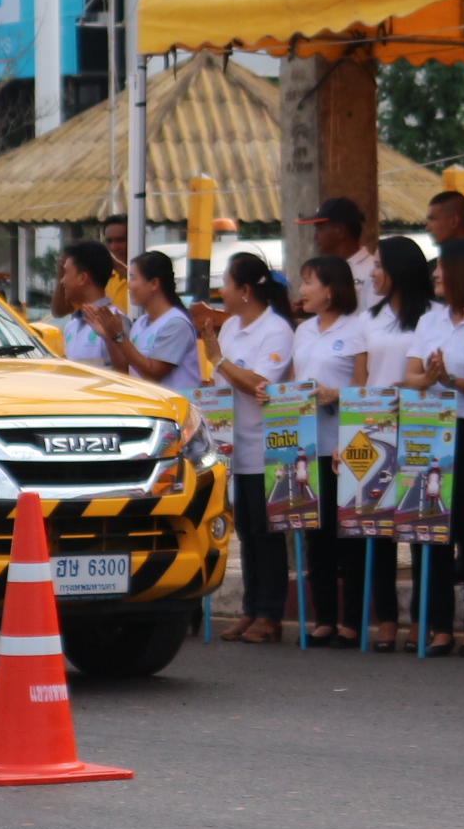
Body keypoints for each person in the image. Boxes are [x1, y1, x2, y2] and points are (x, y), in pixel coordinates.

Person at [193, 252, 297, 645]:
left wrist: (218, 360)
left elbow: (258, 383)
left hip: (267, 446)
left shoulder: (276, 330)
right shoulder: (233, 326)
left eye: (227, 282)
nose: (222, 290)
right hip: (233, 447)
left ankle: (270, 615)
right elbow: (223, 381)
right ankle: (251, 610)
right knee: (248, 532)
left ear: (246, 290)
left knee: (268, 534)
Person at [407, 238, 464, 656]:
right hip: (433, 431)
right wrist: (429, 378)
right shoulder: (429, 321)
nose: (436, 274)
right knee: (435, 529)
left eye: (442, 267)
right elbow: (411, 376)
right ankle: (440, 626)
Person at [291, 255, 377, 649]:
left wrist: (335, 394)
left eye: (309, 281)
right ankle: (324, 618)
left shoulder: (357, 331)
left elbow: (364, 389)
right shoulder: (303, 331)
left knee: (349, 536)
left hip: (347, 445)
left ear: (330, 289)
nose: (302, 289)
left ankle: (353, 621)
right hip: (308, 448)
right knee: (317, 535)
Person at [361, 236, 436, 651]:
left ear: (399, 269)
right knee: (378, 527)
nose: (372, 273)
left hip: (422, 430)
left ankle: (422, 618)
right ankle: (386, 619)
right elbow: (361, 379)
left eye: (378, 265)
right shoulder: (367, 320)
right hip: (375, 430)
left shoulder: (433, 316)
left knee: (422, 526)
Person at [52, 241, 148, 376]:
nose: (62, 281)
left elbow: (126, 375)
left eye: (66, 273)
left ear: (82, 278)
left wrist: (111, 337)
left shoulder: (116, 321)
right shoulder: (71, 326)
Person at [125, 250, 199, 386]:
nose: (129, 285)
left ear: (154, 283)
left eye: (133, 278)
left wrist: (118, 337)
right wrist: (108, 336)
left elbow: (153, 373)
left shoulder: (176, 323)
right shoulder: (140, 323)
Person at [300, 195, 380, 296]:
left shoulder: (373, 270)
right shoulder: (326, 271)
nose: (315, 237)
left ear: (340, 231)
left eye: (320, 229)